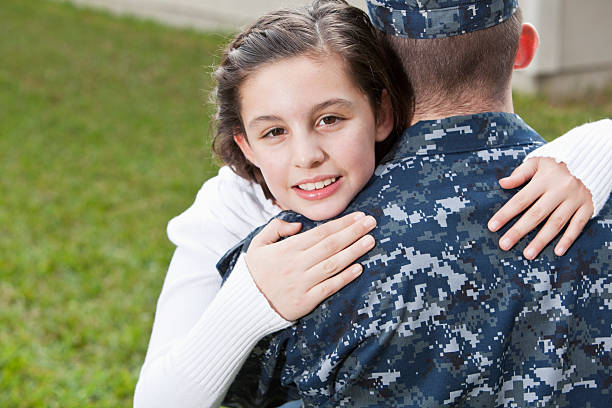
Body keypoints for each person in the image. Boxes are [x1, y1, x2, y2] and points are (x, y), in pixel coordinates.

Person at [133, 1, 612, 407]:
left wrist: (601, 145)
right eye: (273, 131)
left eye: (331, 118)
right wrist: (248, 299)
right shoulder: (238, 210)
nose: (307, 157)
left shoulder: (579, 172)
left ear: (380, 104)